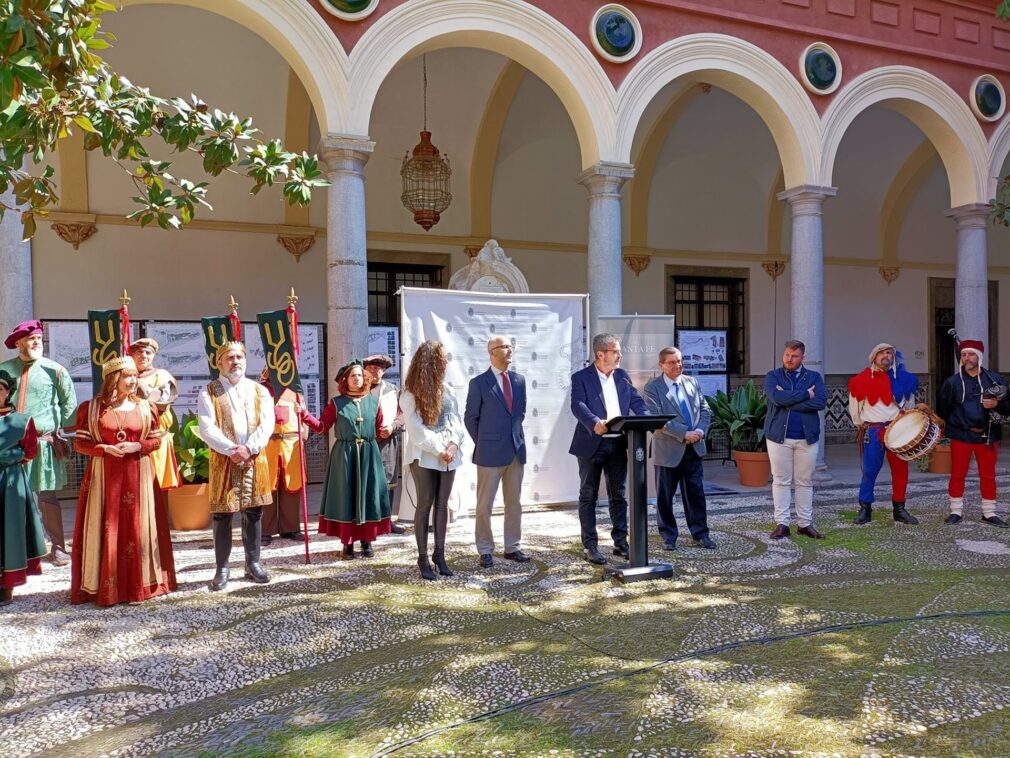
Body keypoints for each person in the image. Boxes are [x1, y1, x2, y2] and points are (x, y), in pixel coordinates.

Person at [71, 356, 176, 606]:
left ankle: (137, 586)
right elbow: (80, 443)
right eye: (126, 376)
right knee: (106, 526)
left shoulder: (145, 407)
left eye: (133, 376)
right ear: (112, 379)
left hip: (138, 474)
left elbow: (156, 440)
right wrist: (104, 449)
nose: (132, 380)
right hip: (103, 476)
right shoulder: (92, 408)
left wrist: (136, 445)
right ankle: (106, 587)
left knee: (139, 527)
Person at [197, 342, 275, 591]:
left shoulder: (258, 390)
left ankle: (253, 563)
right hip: (224, 459)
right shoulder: (209, 391)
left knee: (254, 512)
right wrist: (232, 450)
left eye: (240, 356)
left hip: (254, 456)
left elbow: (267, 422)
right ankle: (222, 567)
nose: (235, 361)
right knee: (223, 514)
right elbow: (207, 427)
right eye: (230, 357)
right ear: (219, 362)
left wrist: (250, 448)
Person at [0, 320, 77, 566]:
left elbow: (69, 405)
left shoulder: (55, 370)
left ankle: (57, 547)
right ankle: (18, 549)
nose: (36, 343)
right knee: (12, 496)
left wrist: (68, 433)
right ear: (19, 342)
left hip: (43, 443)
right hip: (9, 445)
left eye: (38, 339)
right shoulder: (4, 371)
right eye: (30, 339)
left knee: (47, 496)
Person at [570, 333, 647, 565]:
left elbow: (636, 401)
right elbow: (577, 404)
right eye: (615, 351)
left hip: (619, 442)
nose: (620, 355)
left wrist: (646, 419)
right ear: (600, 354)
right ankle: (590, 545)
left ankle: (621, 542)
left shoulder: (622, 376)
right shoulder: (581, 377)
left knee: (618, 495)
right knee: (589, 495)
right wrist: (594, 421)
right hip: (592, 442)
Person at [307, 360, 391, 559]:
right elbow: (321, 427)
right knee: (347, 497)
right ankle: (348, 543)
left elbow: (380, 429)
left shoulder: (374, 402)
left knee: (368, 496)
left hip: (369, 455)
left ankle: (367, 541)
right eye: (353, 376)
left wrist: (389, 428)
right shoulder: (337, 403)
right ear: (345, 380)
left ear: (365, 378)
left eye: (360, 375)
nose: (357, 378)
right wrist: (304, 414)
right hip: (345, 455)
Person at [400, 340, 466, 581]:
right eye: (441, 359)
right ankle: (423, 557)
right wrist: (440, 449)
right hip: (424, 456)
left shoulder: (447, 389)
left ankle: (440, 554)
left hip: (448, 454)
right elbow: (417, 431)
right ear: (429, 363)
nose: (445, 363)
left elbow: (455, 420)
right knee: (425, 503)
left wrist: (453, 445)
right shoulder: (409, 394)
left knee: (442, 504)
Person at [464, 335, 528, 568]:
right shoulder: (479, 383)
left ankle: (512, 547)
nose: (509, 350)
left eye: (511, 346)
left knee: (514, 503)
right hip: (489, 453)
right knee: (484, 505)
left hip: (515, 450)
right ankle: (485, 549)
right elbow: (471, 418)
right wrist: (484, 442)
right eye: (504, 347)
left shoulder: (519, 380)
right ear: (491, 352)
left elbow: (519, 414)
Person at [643, 347, 714, 550]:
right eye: (672, 362)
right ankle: (668, 536)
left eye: (680, 361)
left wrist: (700, 430)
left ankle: (700, 534)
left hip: (694, 448)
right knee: (665, 496)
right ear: (662, 365)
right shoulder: (653, 388)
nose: (678, 365)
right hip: (668, 452)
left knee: (696, 494)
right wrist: (684, 434)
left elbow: (705, 409)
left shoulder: (692, 382)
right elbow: (656, 419)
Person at [936, 340, 1010, 527]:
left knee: (988, 475)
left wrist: (997, 404)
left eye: (971, 354)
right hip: (962, 435)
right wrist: (956, 424)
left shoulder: (995, 380)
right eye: (963, 354)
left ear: (979, 356)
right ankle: (955, 511)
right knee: (957, 474)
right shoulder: (952, 383)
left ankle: (989, 512)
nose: (967, 358)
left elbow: (1009, 406)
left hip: (988, 435)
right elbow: (943, 409)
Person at [848, 342, 920, 525]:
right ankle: (865, 508)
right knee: (869, 471)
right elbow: (855, 409)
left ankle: (899, 509)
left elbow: (910, 405)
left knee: (900, 471)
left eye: (889, 353)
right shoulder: (860, 380)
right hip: (873, 430)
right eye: (882, 353)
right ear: (874, 357)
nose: (886, 356)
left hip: (898, 431)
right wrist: (860, 425)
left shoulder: (904, 379)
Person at [763, 340, 828, 540]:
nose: (789, 359)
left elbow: (820, 402)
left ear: (803, 357)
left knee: (804, 482)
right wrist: (804, 395)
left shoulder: (814, 377)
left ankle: (804, 524)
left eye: (794, 356)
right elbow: (776, 399)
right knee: (781, 481)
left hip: (806, 438)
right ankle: (782, 524)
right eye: (787, 355)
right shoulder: (773, 376)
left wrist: (789, 400)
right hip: (778, 437)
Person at [0, 371, 46, 606]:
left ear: (8, 392)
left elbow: (30, 452)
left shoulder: (22, 421)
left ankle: (6, 585)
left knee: (10, 530)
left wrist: (9, 459)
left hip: (10, 482)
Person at [129, 338, 181, 507]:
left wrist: (140, 387)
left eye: (148, 352)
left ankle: (160, 531)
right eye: (139, 352)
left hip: (156, 439)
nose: (143, 355)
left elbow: (161, 404)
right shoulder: (125, 376)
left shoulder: (162, 376)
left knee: (157, 487)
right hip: (132, 440)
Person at [258, 368, 307, 546]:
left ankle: (291, 528)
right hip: (268, 445)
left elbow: (304, 419)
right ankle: (266, 530)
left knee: (291, 488)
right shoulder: (260, 391)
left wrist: (303, 438)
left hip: (290, 446)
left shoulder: (295, 392)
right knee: (267, 488)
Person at [363, 353, 406, 535]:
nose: (374, 371)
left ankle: (386, 521)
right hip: (365, 442)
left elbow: (403, 414)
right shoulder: (359, 390)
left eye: (378, 368)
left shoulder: (393, 390)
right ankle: (368, 521)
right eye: (371, 368)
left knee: (388, 482)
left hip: (388, 440)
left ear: (384, 371)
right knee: (366, 481)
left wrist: (393, 426)